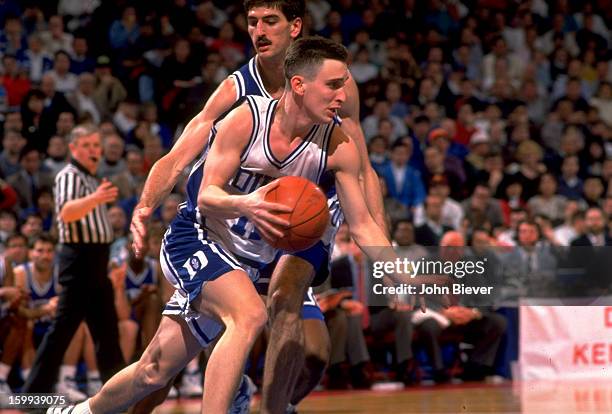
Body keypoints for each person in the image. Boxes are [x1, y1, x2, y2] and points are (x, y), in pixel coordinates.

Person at [67, 36, 425, 414]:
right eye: (334, 84)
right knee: (250, 315)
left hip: (253, 260)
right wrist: (248, 204)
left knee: (153, 370)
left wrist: (402, 274)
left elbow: (364, 225)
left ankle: (79, 412)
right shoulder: (247, 117)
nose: (343, 94)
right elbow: (207, 195)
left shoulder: (339, 146)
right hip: (200, 237)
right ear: (300, 85)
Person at [128, 1, 386, 412]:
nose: (259, 31)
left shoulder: (334, 85)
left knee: (312, 347)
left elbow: (363, 168)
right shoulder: (237, 91)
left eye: (270, 21)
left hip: (306, 211)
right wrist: (144, 206)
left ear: (295, 26)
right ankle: (235, 390)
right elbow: (180, 155)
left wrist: (388, 256)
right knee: (161, 367)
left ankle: (272, 407)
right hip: (235, 222)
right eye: (252, 22)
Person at [23, 125, 124, 394]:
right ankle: (32, 395)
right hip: (79, 261)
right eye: (87, 145)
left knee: (107, 332)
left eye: (96, 145)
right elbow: (66, 213)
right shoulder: (69, 176)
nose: (94, 150)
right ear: (73, 148)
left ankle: (118, 392)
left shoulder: (92, 177)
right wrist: (97, 198)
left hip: (97, 262)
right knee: (62, 332)